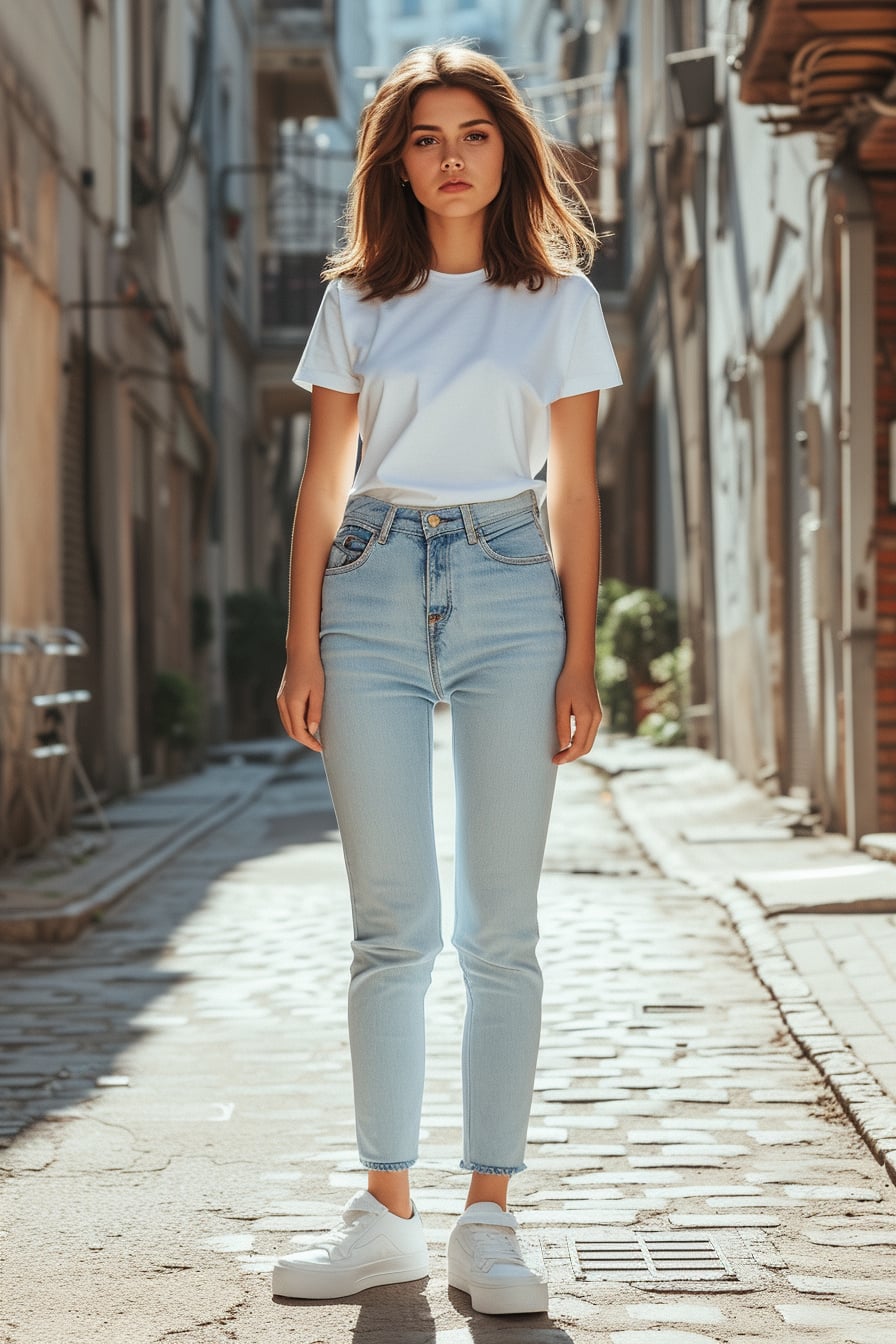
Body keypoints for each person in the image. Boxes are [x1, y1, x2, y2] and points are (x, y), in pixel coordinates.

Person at [273, 39, 622, 1315]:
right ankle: (383, 1212)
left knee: (502, 931)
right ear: (397, 163)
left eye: (472, 132)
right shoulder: (356, 297)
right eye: (424, 137)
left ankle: (489, 1218)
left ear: (507, 148)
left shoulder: (558, 300)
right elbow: (321, 484)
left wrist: (578, 647)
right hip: (366, 586)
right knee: (390, 927)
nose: (450, 156)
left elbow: (575, 492)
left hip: (506, 586)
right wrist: (301, 640)